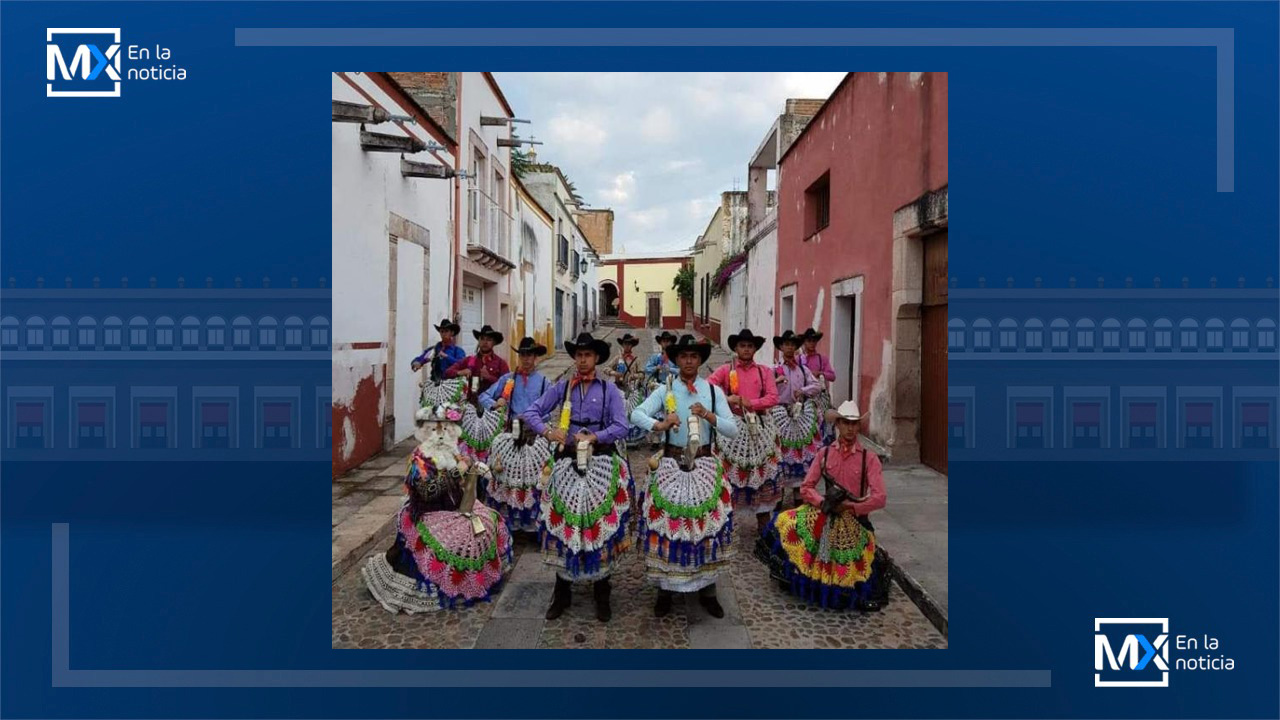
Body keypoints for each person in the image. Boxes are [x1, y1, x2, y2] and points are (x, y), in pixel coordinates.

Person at [520, 332, 632, 622]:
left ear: (596, 358)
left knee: (598, 522)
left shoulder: (610, 391)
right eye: (579, 355)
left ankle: (602, 589)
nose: (582, 360)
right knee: (564, 522)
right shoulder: (562, 388)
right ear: (574, 358)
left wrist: (596, 435)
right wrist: (549, 431)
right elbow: (531, 411)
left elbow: (622, 426)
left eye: (588, 355)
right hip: (567, 458)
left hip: (601, 462)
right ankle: (563, 590)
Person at [362, 403, 514, 613]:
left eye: (446, 428)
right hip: (429, 514)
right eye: (437, 429)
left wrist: (474, 467)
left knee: (488, 522)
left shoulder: (452, 452)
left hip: (456, 508)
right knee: (457, 541)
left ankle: (477, 580)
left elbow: (466, 474)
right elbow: (427, 491)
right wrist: (455, 473)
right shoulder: (419, 460)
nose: (442, 433)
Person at [630, 335, 738, 618]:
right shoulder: (665, 389)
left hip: (704, 464)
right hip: (671, 464)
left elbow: (733, 429)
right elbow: (636, 414)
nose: (689, 361)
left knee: (707, 528)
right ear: (676, 360)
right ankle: (665, 588)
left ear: (700, 360)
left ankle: (708, 589)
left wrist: (709, 416)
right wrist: (661, 422)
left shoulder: (712, 391)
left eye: (694, 356)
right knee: (667, 525)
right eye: (684, 356)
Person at [754, 401, 890, 612]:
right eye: (846, 423)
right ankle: (802, 577)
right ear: (838, 424)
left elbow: (880, 497)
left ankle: (831, 585)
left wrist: (850, 508)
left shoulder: (869, 459)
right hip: (825, 513)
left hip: (854, 519)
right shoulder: (825, 453)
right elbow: (807, 486)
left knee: (858, 567)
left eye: (854, 424)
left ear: (859, 426)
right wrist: (822, 503)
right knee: (784, 522)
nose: (850, 429)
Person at [707, 328, 781, 533]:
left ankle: (763, 522)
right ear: (736, 348)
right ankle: (726, 520)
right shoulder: (725, 370)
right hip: (733, 429)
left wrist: (752, 403)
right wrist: (725, 398)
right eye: (742, 346)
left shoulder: (764, 371)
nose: (746, 349)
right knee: (729, 473)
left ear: (755, 349)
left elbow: (773, 397)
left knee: (762, 472)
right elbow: (708, 387)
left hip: (759, 428)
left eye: (750, 346)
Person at [481, 338, 553, 532]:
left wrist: (535, 419)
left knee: (536, 477)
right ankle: (508, 520)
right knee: (506, 475)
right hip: (512, 434)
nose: (526, 359)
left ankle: (533, 521)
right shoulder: (508, 379)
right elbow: (484, 396)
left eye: (530, 355)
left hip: (534, 437)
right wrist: (495, 404)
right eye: (523, 355)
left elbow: (551, 409)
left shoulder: (544, 382)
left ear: (536, 357)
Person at [772, 330, 823, 506]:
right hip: (779, 417)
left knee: (799, 455)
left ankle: (798, 497)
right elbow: (766, 390)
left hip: (799, 417)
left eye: (793, 345)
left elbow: (817, 386)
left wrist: (803, 391)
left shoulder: (803, 369)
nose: (789, 347)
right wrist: (776, 382)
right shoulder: (774, 370)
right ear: (780, 347)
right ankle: (778, 499)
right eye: (786, 344)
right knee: (780, 456)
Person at [445, 325, 510, 399]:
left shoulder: (501, 363)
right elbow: (448, 372)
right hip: (471, 404)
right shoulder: (469, 360)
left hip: (492, 404)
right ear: (478, 341)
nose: (485, 342)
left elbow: (507, 386)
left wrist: (489, 377)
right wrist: (460, 372)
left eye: (488, 339)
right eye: (482, 339)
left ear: (494, 342)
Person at [799, 327, 837, 441]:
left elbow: (832, 376)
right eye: (809, 341)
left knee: (823, 426)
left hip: (820, 399)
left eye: (814, 341)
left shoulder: (822, 359)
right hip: (803, 399)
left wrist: (820, 373)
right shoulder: (799, 359)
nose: (811, 343)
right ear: (804, 342)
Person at [411, 318, 467, 383]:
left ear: (452, 333)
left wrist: (446, 356)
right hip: (435, 382)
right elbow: (423, 357)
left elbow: (462, 364)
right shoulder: (435, 349)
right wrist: (417, 363)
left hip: (451, 385)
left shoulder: (458, 351)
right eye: (442, 331)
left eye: (446, 331)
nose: (444, 334)